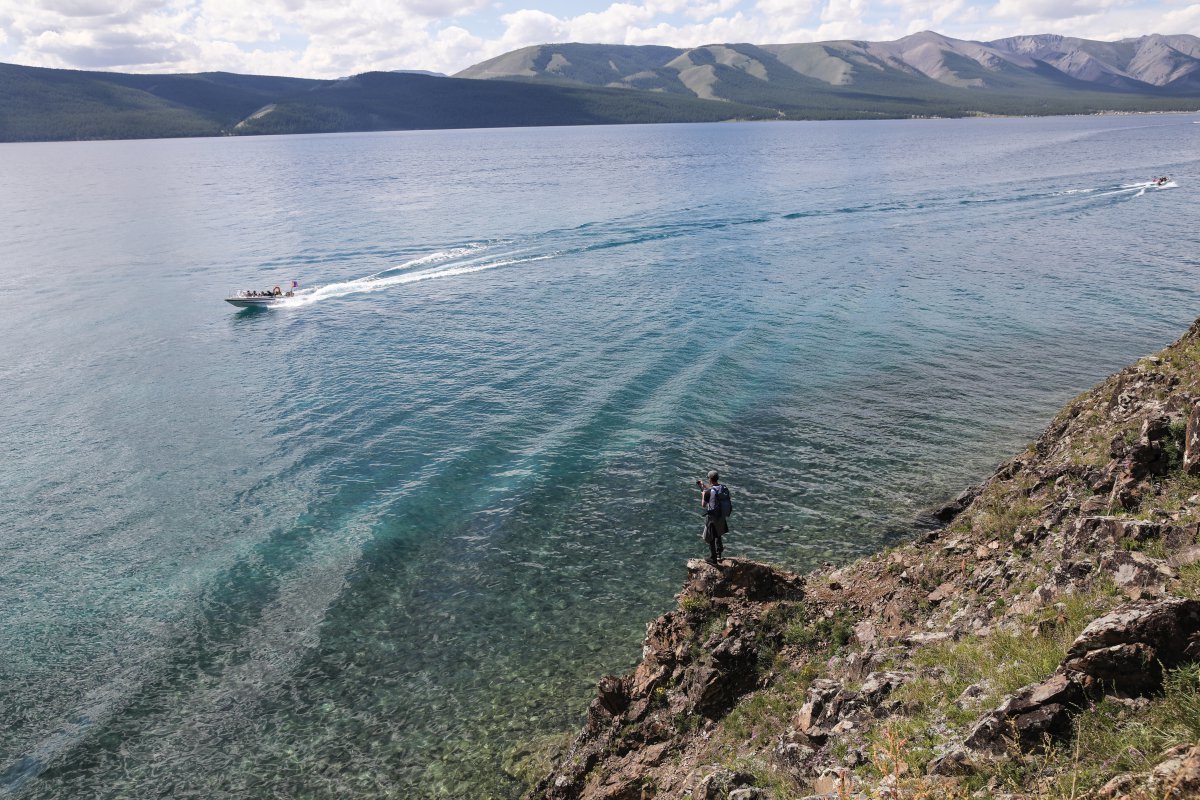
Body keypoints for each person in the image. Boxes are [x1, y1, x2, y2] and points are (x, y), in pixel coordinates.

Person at [698, 470, 728, 564]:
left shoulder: (708, 492)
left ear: (710, 479)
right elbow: (714, 490)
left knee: (710, 536)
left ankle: (713, 558)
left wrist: (703, 494)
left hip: (712, 517)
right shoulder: (723, 487)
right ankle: (719, 553)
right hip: (721, 515)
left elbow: (703, 505)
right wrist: (704, 486)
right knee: (718, 533)